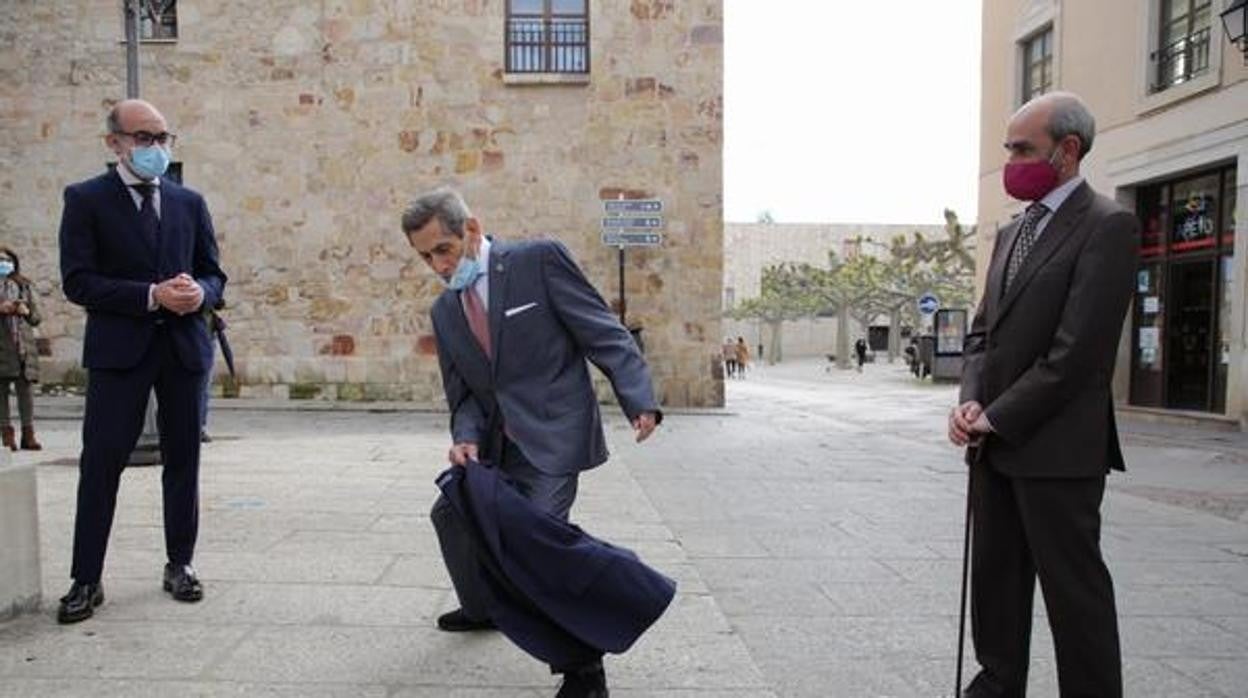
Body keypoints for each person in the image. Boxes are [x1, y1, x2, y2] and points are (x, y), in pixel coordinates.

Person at [402, 187, 661, 698]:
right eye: (425, 256)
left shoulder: (538, 261)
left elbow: (603, 332)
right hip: (496, 448)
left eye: (443, 250)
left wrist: (639, 399)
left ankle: (584, 670)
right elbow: (467, 398)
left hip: (553, 434)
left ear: (472, 230)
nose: (436, 265)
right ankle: (484, 608)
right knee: (450, 516)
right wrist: (465, 439)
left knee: (537, 548)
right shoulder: (445, 313)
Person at [948, 92, 1138, 697]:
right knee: (996, 589)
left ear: (1069, 150)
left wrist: (998, 416)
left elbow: (1078, 354)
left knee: (1073, 595)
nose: (1011, 161)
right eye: (1007, 148)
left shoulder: (1108, 225)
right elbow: (984, 332)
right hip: (993, 447)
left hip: (1058, 453)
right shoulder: (1011, 232)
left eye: (1023, 149)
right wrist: (972, 400)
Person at [56, 99, 227, 624]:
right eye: (144, 137)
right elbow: (78, 281)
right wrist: (151, 295)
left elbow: (215, 273)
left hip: (182, 351)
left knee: (183, 462)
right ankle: (86, 578)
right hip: (119, 355)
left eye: (163, 137)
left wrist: (199, 292)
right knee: (101, 465)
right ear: (115, 143)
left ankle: (180, 564)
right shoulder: (85, 200)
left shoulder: (188, 202)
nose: (156, 147)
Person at [0, 247, 43, 451]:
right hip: (2, 345)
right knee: (1, 394)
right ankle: (7, 436)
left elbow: (36, 318)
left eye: (7, 260)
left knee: (25, 393)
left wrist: (25, 311)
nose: (4, 264)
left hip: (22, 346)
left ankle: (29, 435)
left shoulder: (23, 285)